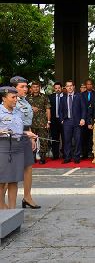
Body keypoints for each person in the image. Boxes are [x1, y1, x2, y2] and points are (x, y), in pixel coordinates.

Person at [0, 86, 36, 209]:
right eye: (13, 97)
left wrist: (27, 134)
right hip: (4, 147)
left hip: (17, 146)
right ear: (4, 98)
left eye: (16, 97)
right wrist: (2, 131)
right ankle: (2, 209)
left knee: (14, 180)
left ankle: (12, 211)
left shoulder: (17, 111)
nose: (16, 100)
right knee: (2, 180)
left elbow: (20, 129)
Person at [11, 76, 40, 209]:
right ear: (14, 88)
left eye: (26, 86)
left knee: (28, 167)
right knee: (11, 170)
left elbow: (27, 121)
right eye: (21, 87)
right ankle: (3, 202)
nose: (25, 89)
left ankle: (27, 197)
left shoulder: (24, 101)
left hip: (26, 135)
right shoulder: (10, 102)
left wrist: (31, 137)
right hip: (14, 137)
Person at [59, 80, 86, 164]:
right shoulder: (63, 98)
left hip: (77, 121)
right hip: (67, 121)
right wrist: (62, 120)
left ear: (74, 86)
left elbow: (84, 108)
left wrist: (83, 119)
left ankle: (77, 157)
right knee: (67, 140)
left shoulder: (79, 96)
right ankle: (67, 157)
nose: (69, 87)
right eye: (68, 86)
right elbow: (60, 110)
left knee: (77, 140)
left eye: (71, 86)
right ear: (65, 87)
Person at [27, 81, 51, 164]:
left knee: (43, 141)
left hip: (42, 122)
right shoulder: (27, 98)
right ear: (31, 88)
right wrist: (31, 107)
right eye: (34, 87)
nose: (35, 88)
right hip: (31, 123)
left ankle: (42, 157)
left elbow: (48, 109)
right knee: (31, 140)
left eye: (37, 87)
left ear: (39, 87)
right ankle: (32, 157)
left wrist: (48, 121)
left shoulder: (44, 97)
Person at [81, 78, 95, 159]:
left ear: (92, 85)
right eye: (87, 84)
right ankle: (84, 153)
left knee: (93, 137)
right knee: (84, 136)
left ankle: (92, 152)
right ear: (85, 85)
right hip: (84, 118)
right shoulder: (82, 94)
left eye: (90, 84)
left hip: (93, 118)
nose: (89, 85)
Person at [49, 82, 64, 160]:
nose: (57, 89)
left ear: (61, 88)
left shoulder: (65, 96)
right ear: (54, 89)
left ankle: (65, 154)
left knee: (65, 138)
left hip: (63, 120)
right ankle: (55, 155)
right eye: (56, 88)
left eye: (59, 88)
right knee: (55, 138)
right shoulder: (50, 97)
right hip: (54, 121)